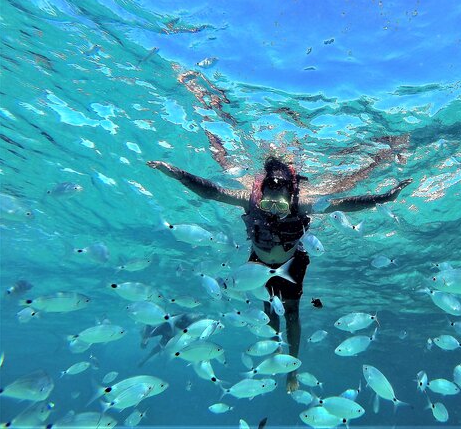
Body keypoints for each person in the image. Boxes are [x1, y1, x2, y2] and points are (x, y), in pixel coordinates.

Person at [147, 156, 412, 391]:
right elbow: (211, 191)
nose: (272, 211)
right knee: (269, 312)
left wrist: (384, 198)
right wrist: (176, 173)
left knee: (292, 314)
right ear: (260, 192)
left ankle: (292, 368)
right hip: (259, 265)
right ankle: (275, 354)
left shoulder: (302, 203)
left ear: (290, 195)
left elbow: (345, 203)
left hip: (293, 261)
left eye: (279, 206)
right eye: (268, 204)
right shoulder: (248, 200)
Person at [138, 312, 204, 367]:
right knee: (157, 342)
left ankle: (144, 359)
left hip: (171, 330)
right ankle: (144, 358)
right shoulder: (188, 320)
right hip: (171, 328)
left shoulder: (189, 320)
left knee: (158, 344)